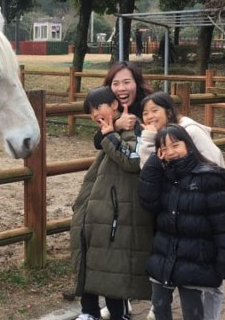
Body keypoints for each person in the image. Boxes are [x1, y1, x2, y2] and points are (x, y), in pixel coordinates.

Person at [139, 92, 225, 320]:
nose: (150, 116)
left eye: (155, 110)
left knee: (196, 307)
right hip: (169, 253)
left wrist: (223, 263)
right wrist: (152, 154)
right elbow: (148, 197)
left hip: (197, 254)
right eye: (145, 112)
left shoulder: (202, 167)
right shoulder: (165, 172)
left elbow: (221, 220)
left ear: (168, 111)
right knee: (161, 305)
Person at [71, 86, 154, 320]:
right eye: (90, 112)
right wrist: (109, 132)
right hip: (100, 210)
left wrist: (110, 135)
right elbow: (101, 142)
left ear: (114, 105)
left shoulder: (133, 127)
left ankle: (117, 314)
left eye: (98, 107)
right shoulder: (111, 129)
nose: (95, 114)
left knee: (112, 266)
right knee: (94, 260)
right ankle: (89, 311)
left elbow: (132, 161)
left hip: (117, 212)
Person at [97, 61, 153, 320]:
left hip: (148, 184)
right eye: (115, 83)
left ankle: (157, 302)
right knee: (120, 243)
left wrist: (138, 126)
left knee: (148, 243)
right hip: (118, 189)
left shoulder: (150, 106)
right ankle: (121, 302)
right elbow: (98, 140)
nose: (121, 87)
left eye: (126, 81)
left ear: (136, 83)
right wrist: (118, 125)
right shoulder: (110, 110)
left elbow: (162, 134)